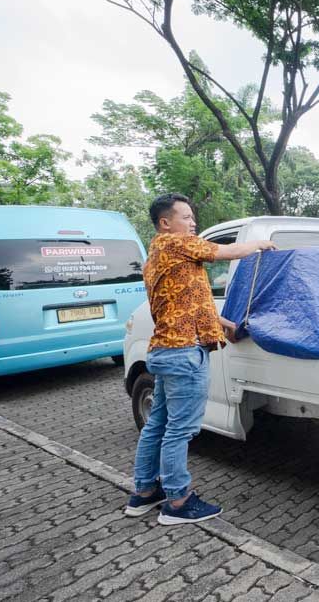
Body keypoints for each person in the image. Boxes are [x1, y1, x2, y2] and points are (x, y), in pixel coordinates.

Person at [125, 194, 276, 525]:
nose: (193, 223)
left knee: (158, 425)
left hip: (166, 352)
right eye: (187, 217)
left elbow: (190, 304)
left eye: (193, 218)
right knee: (179, 430)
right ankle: (178, 502)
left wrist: (227, 326)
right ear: (166, 223)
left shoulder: (157, 257)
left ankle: (145, 493)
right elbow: (225, 251)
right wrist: (261, 244)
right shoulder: (175, 243)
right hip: (183, 354)